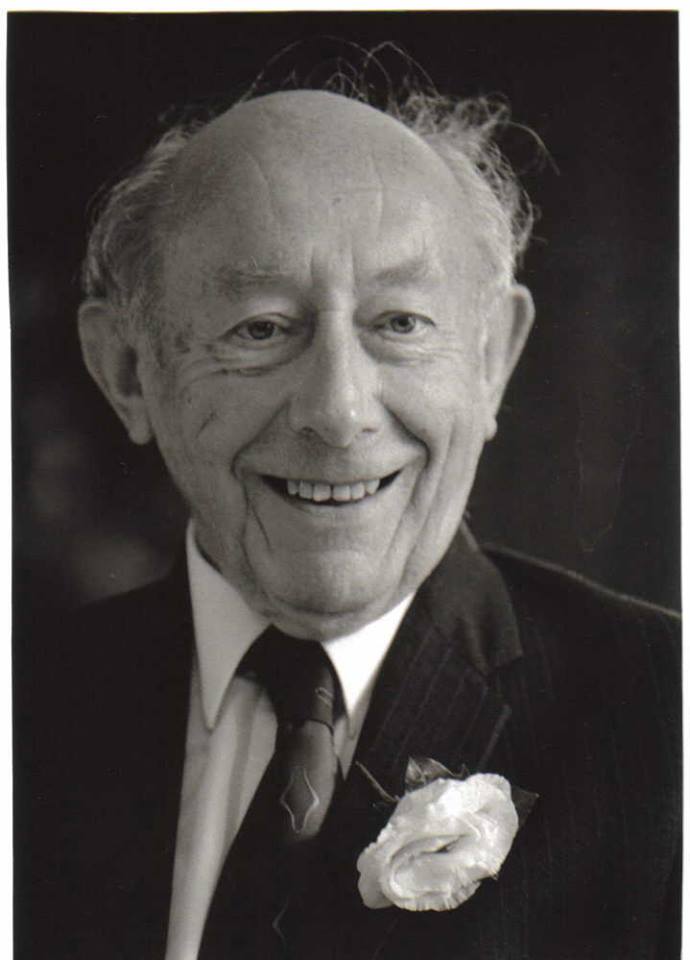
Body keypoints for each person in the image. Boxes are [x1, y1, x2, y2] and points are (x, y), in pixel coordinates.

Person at [16, 81, 680, 960]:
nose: (338, 410)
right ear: (128, 372)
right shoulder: (25, 709)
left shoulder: (663, 722)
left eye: (400, 322)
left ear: (492, 360)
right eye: (261, 329)